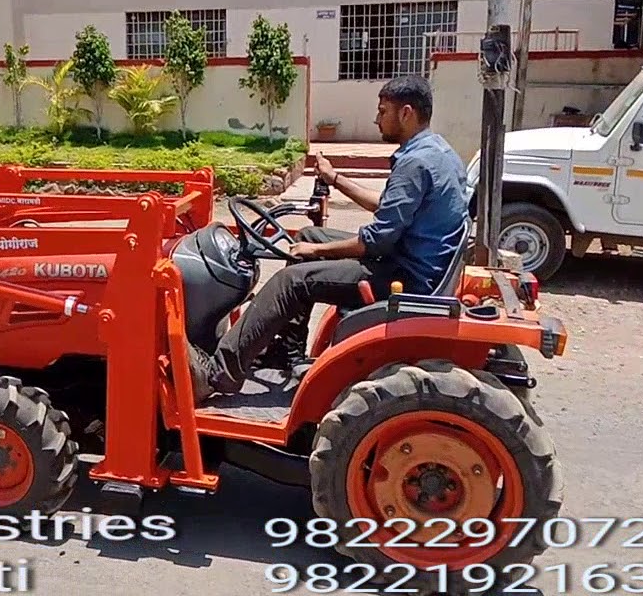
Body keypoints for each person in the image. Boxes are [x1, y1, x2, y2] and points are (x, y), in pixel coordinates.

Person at [189, 74, 470, 401]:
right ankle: (286, 351)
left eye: (382, 111)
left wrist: (316, 249)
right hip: (417, 262)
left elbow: (375, 241)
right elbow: (389, 207)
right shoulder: (439, 152)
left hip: (405, 276)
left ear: (406, 113)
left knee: (290, 281)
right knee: (308, 233)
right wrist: (334, 179)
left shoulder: (415, 163)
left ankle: (218, 372)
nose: (376, 119)